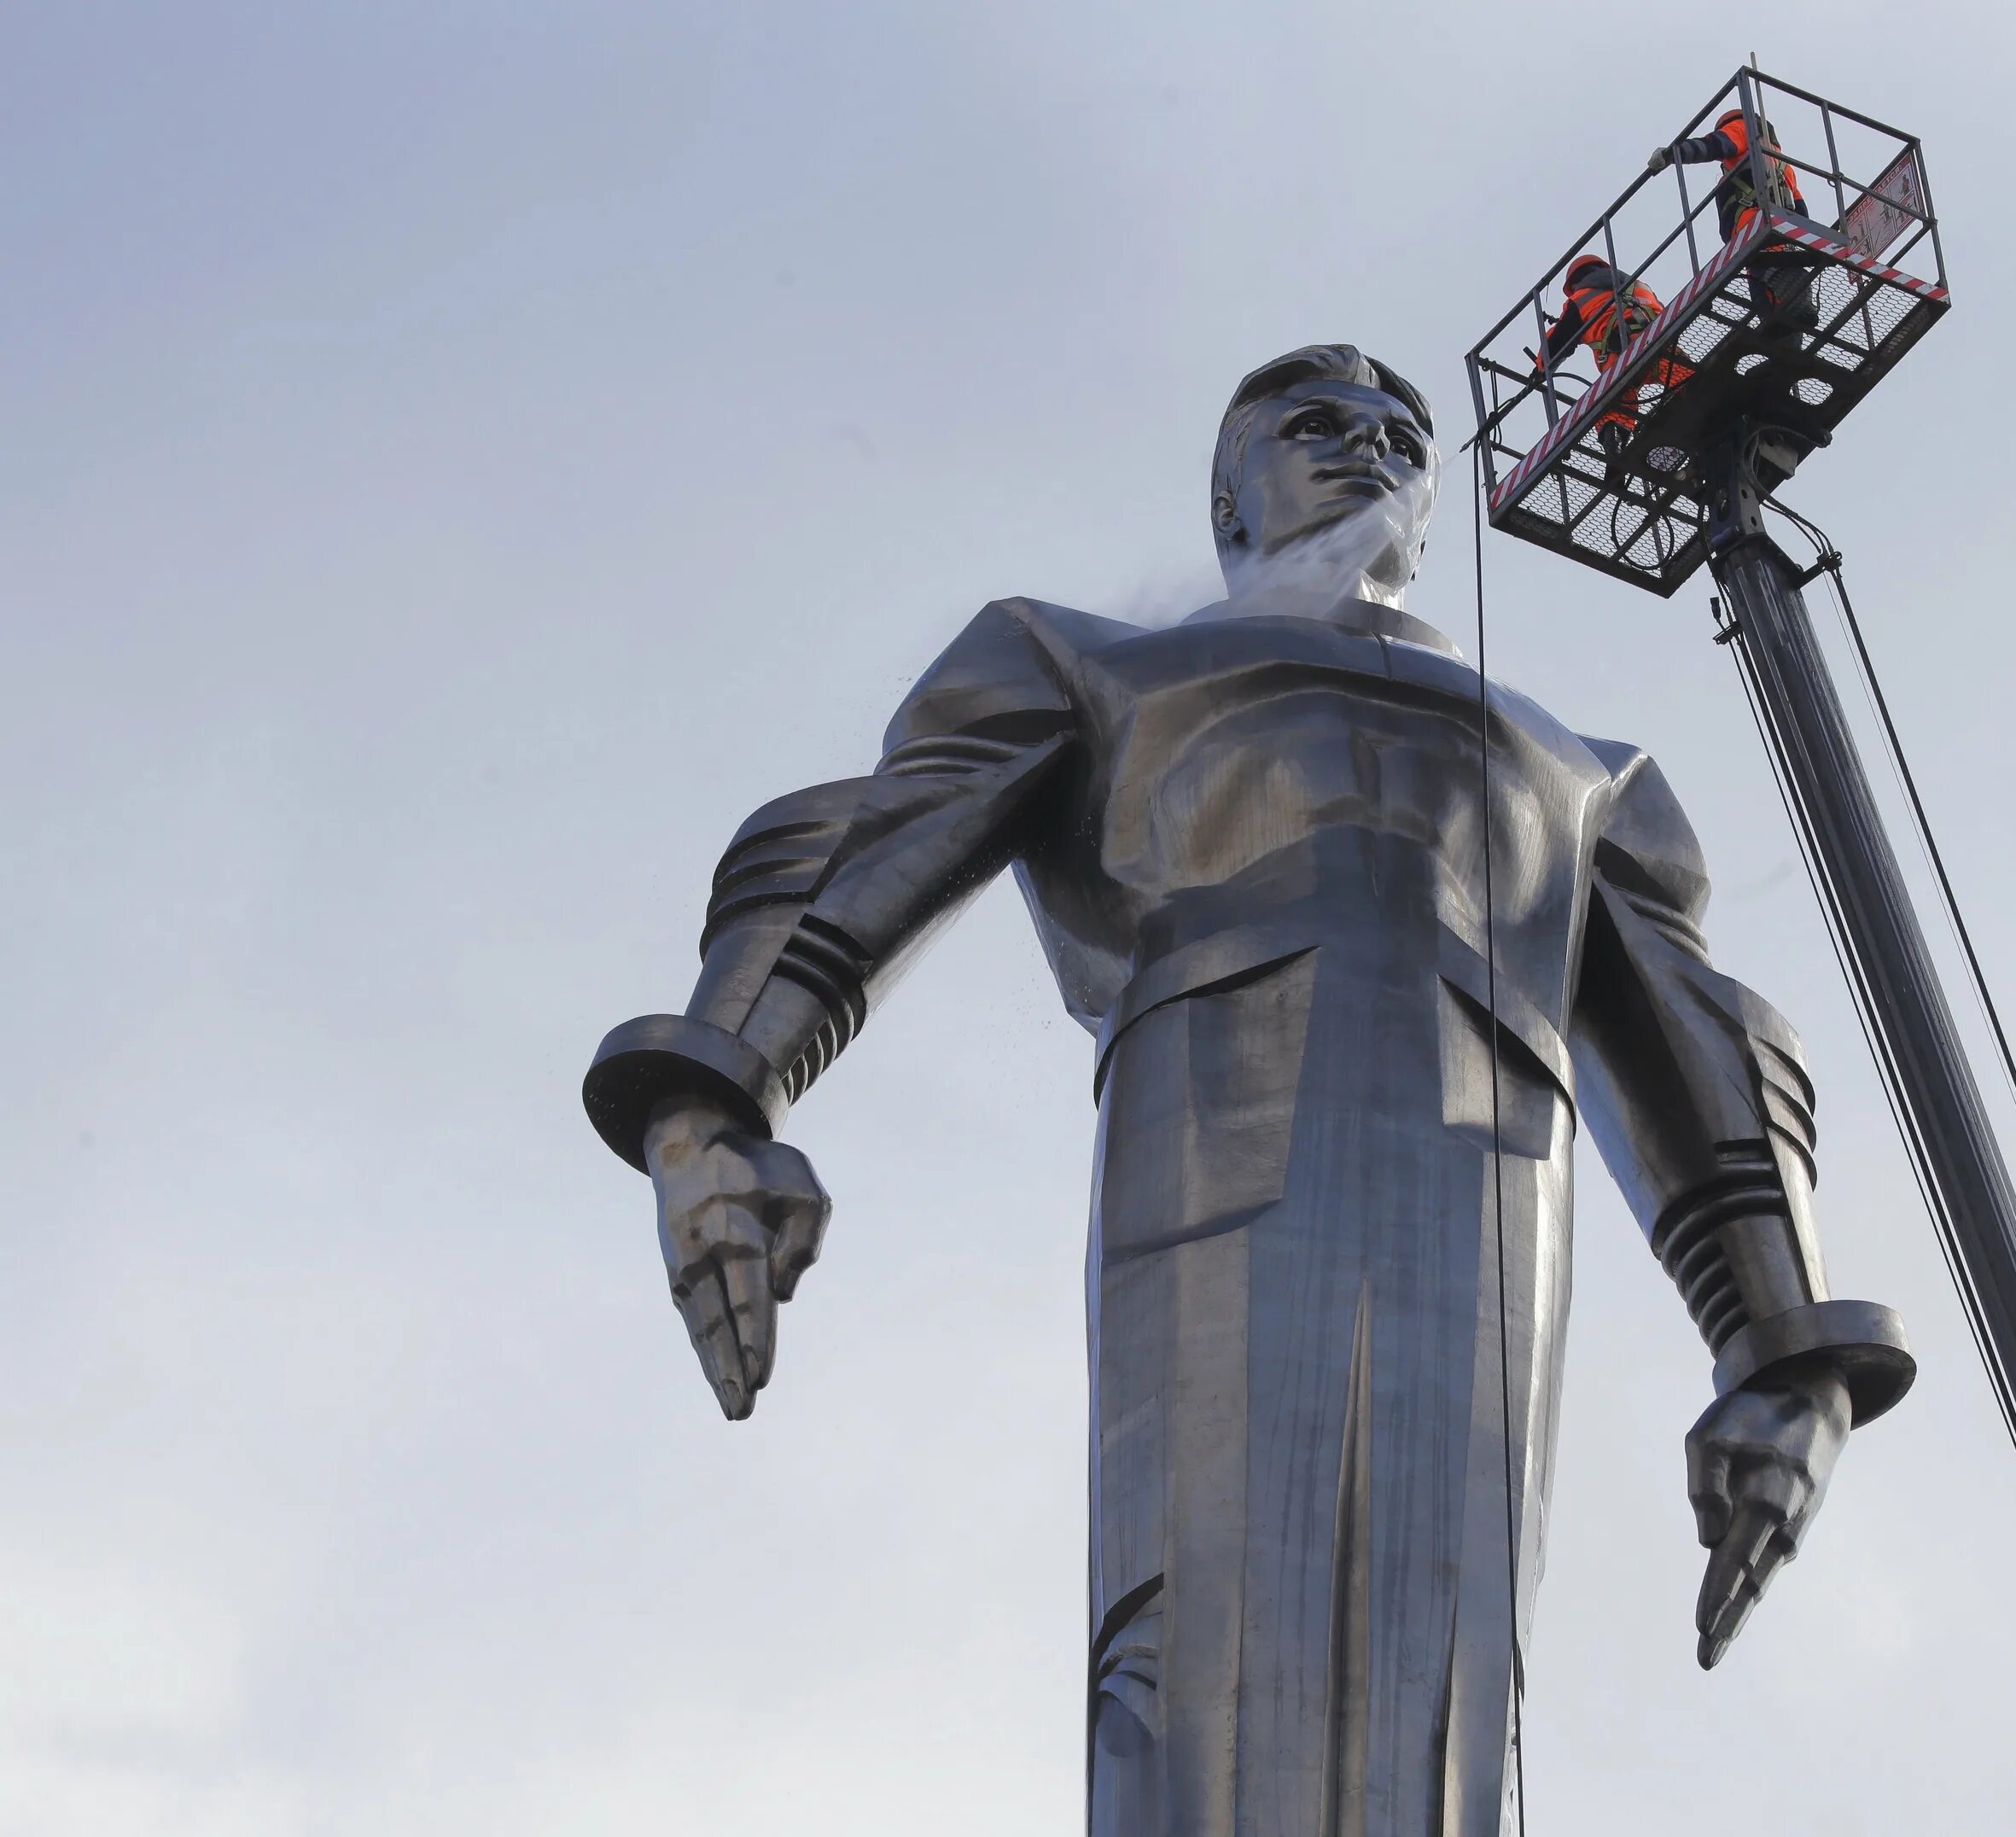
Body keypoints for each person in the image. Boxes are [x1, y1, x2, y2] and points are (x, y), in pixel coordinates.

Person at [583, 344, 1910, 1836]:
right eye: (1317, 426)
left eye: (1404, 435)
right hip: (1209, 1170)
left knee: (1446, 1686)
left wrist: (1783, 1346)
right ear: (1231, 500)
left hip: (1488, 1205)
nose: (1369, 449)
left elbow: (1702, 1036)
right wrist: (715, 1097)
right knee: (1197, 1660)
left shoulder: (1580, 774)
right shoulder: (1101, 667)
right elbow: (872, 837)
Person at [1648, 108, 1819, 331]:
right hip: (1771, 239)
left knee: (1773, 284)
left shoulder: (1742, 128)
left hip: (1755, 231)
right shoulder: (1781, 163)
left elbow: (1714, 145)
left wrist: (1673, 153)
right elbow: (1801, 211)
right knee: (1773, 298)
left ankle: (1790, 327)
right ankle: (1787, 344)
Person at [1534, 255, 1697, 458]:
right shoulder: (1640, 285)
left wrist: (1540, 368)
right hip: (1657, 341)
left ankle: (1614, 439)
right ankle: (1696, 393)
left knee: (1615, 401)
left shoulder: (1579, 299)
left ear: (1575, 283)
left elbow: (1558, 343)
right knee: (1683, 374)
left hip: (1619, 357)